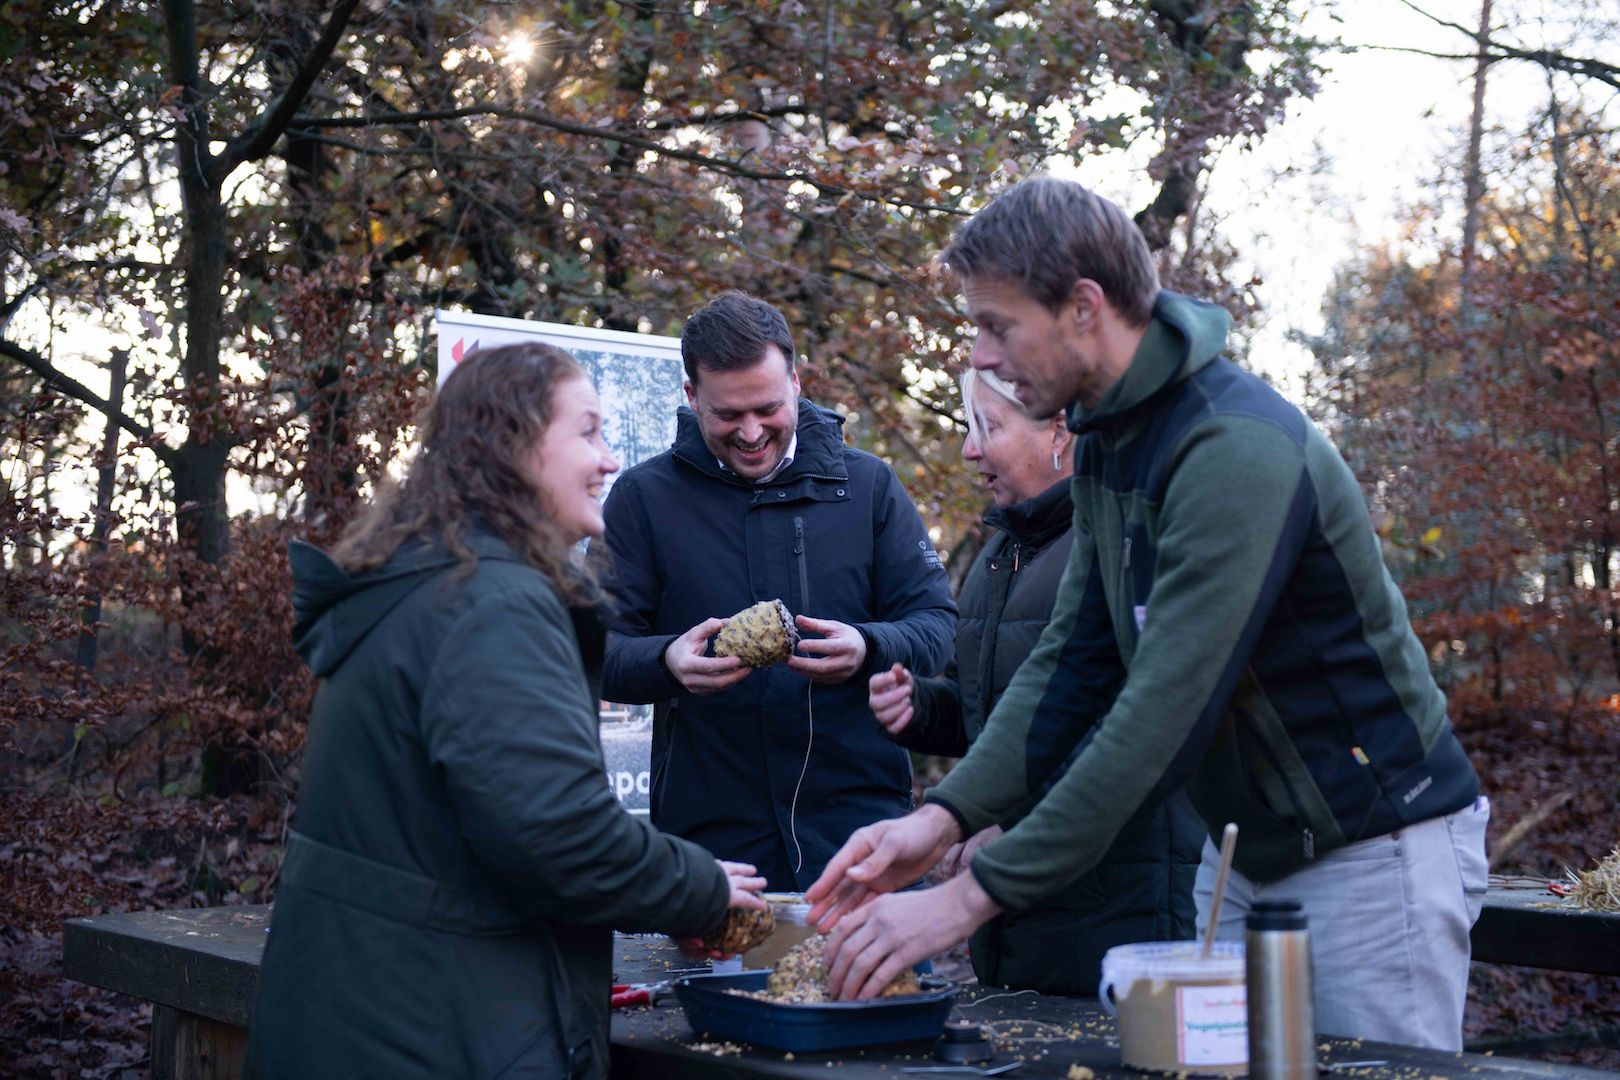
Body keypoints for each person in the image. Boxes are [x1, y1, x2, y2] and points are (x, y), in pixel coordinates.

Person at [808, 176, 1489, 1052]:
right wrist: (943, 819)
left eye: (997, 325)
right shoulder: (1108, 438)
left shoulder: (1231, 447)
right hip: (1246, 851)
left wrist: (970, 896)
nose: (981, 354)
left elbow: (1161, 714)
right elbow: (1075, 659)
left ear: (1083, 307)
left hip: (1368, 846)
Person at [247, 344, 766, 1079]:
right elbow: (557, 836)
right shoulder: (492, 604)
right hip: (428, 1033)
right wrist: (699, 889)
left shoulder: (431, 585)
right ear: (514, 444)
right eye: (587, 432)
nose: (610, 460)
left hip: (374, 1013)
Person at [599, 291, 957, 891]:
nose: (749, 432)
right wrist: (666, 662)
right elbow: (592, 649)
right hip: (713, 850)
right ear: (691, 397)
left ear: (796, 381)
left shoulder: (867, 486)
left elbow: (938, 626)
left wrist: (869, 648)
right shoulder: (641, 499)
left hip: (860, 835)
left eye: (766, 408)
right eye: (726, 415)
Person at [869, 367, 1203, 995]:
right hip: (1013, 917)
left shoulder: (1118, 544)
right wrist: (919, 707)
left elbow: (1130, 727)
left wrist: (1004, 827)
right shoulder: (998, 555)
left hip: (1119, 904)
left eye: (987, 427)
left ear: (1060, 428)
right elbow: (1001, 717)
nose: (969, 448)